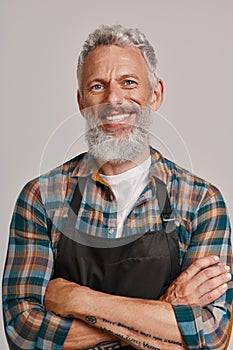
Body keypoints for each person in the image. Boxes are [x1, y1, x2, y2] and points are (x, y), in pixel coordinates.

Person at [2, 24, 233, 350]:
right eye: (98, 86)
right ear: (82, 101)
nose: (114, 100)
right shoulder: (42, 198)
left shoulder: (200, 201)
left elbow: (211, 337)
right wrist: (167, 310)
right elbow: (23, 332)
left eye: (129, 83)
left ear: (155, 94)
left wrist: (77, 300)